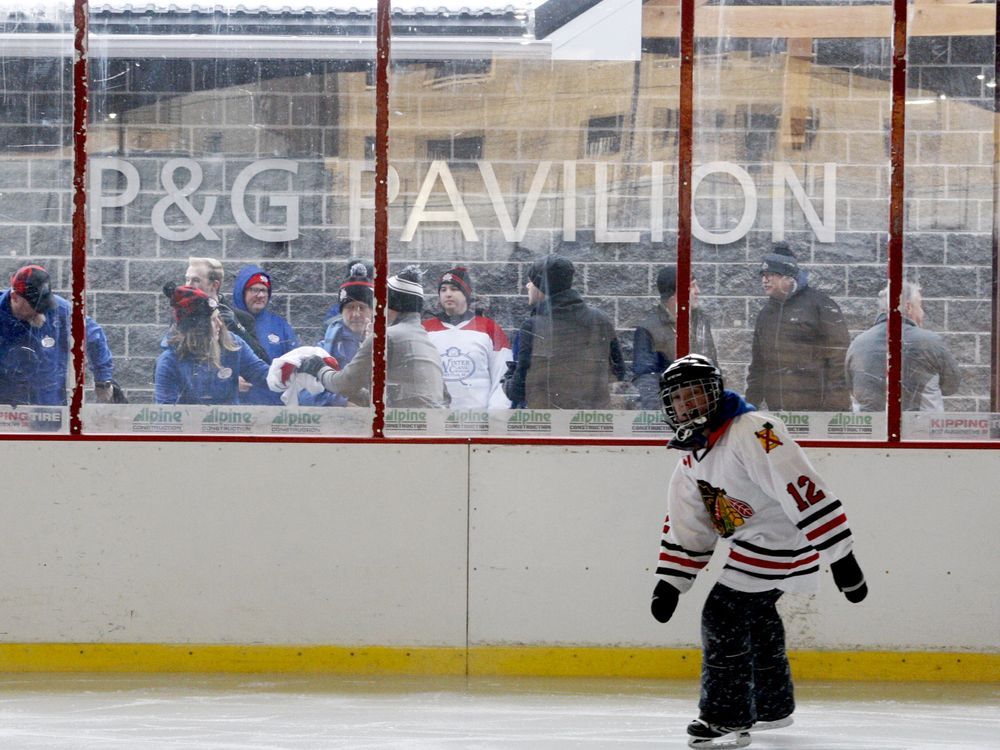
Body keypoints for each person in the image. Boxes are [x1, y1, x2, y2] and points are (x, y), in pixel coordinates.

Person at [651, 354, 868, 749]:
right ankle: (772, 705)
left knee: (724, 612)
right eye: (679, 399)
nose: (688, 405)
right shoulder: (692, 455)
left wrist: (841, 554)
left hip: (783, 538)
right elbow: (689, 522)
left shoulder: (753, 429)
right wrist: (671, 581)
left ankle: (726, 717)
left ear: (714, 393)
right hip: (754, 542)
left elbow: (799, 482)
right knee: (756, 614)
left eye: (695, 394)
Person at [295, 266, 450, 408]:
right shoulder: (426, 340)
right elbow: (442, 397)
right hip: (429, 427)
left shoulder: (385, 337)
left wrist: (320, 369)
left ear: (394, 304)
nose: (379, 309)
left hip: (401, 429)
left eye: (382, 302)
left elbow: (345, 384)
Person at [502, 254, 626, 409]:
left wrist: (506, 379)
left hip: (551, 422)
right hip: (592, 422)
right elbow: (618, 372)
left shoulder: (535, 326)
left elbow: (519, 389)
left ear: (542, 287)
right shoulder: (600, 319)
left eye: (531, 281)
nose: (528, 286)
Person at [745, 243, 850, 412]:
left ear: (788, 277)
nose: (764, 280)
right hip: (777, 410)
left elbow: (839, 357)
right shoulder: (765, 314)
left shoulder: (821, 305)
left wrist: (835, 407)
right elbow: (758, 365)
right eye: (763, 275)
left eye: (771, 274)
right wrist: (750, 405)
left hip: (817, 409)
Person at [0, 264, 118, 406]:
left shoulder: (60, 311)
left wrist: (102, 381)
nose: (41, 312)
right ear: (15, 297)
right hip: (6, 408)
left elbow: (94, 336)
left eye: (44, 305)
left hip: (47, 408)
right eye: (35, 306)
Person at [845, 281, 961, 412]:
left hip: (872, 428)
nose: (922, 313)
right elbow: (951, 385)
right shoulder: (929, 341)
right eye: (920, 306)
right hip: (920, 428)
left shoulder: (858, 343)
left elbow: (850, 386)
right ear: (909, 307)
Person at [154, 283, 271, 405]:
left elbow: (262, 374)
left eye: (219, 318)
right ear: (199, 328)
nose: (220, 324)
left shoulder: (233, 343)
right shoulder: (169, 362)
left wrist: (286, 370)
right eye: (214, 320)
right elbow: (165, 413)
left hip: (228, 422)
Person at [423, 266, 512, 409]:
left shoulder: (488, 328)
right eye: (443, 290)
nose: (448, 294)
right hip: (438, 419)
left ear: (466, 294)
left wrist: (496, 415)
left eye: (454, 289)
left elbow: (502, 374)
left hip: (477, 419)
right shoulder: (426, 329)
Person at [633, 265, 718, 410]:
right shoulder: (648, 329)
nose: (698, 291)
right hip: (671, 408)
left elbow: (713, 365)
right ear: (675, 295)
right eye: (692, 286)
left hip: (702, 406)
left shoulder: (701, 321)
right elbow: (646, 377)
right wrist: (658, 414)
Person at [231, 264, 300, 405]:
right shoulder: (226, 322)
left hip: (273, 409)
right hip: (235, 413)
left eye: (264, 290)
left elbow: (296, 364)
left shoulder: (280, 326)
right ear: (241, 292)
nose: (260, 295)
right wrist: (229, 382)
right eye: (254, 290)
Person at [183, 257, 268, 362]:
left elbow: (263, 361)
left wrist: (237, 328)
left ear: (215, 285)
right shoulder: (182, 315)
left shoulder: (241, 319)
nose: (188, 286)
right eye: (187, 280)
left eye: (196, 280)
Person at [315, 260, 374, 407]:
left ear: (372, 311)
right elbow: (307, 390)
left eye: (362, 307)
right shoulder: (327, 344)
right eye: (350, 307)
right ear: (341, 312)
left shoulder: (386, 340)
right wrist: (342, 403)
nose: (356, 314)